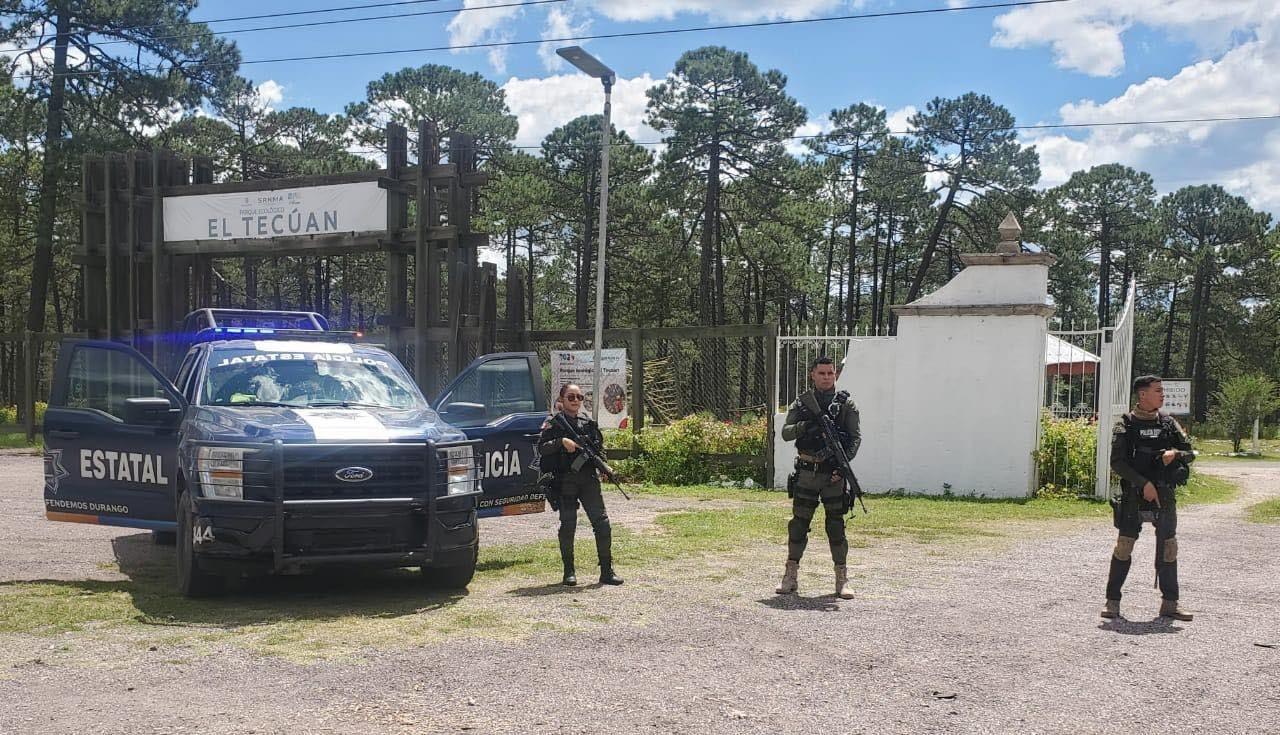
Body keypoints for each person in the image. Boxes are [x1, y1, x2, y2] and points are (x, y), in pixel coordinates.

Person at [1101, 375, 1196, 621]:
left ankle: (1170, 603)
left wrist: (1174, 453)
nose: (1163, 395)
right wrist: (1144, 484)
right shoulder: (1126, 424)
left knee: (1169, 547)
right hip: (1134, 493)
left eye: (1163, 390)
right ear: (1142, 394)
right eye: (1158, 390)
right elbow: (1117, 462)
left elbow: (1190, 452)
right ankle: (1112, 602)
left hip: (1164, 493)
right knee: (1124, 545)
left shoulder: (1168, 423)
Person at [776, 356, 861, 599]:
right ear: (812, 375)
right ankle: (790, 576)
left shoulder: (846, 405)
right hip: (807, 473)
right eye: (822, 373)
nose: (826, 377)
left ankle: (841, 579)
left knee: (836, 526)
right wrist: (806, 427)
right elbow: (785, 433)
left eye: (830, 373)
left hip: (833, 476)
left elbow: (855, 438)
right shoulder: (802, 404)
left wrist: (843, 468)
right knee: (798, 525)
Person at [538, 383, 623, 587]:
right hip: (564, 481)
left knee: (602, 524)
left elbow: (598, 451)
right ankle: (569, 571)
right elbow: (542, 448)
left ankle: (606, 571)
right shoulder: (553, 424)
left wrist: (606, 468)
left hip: (588, 481)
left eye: (579, 397)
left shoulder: (588, 423)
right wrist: (561, 442)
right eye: (571, 397)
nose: (575, 401)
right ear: (561, 400)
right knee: (568, 526)